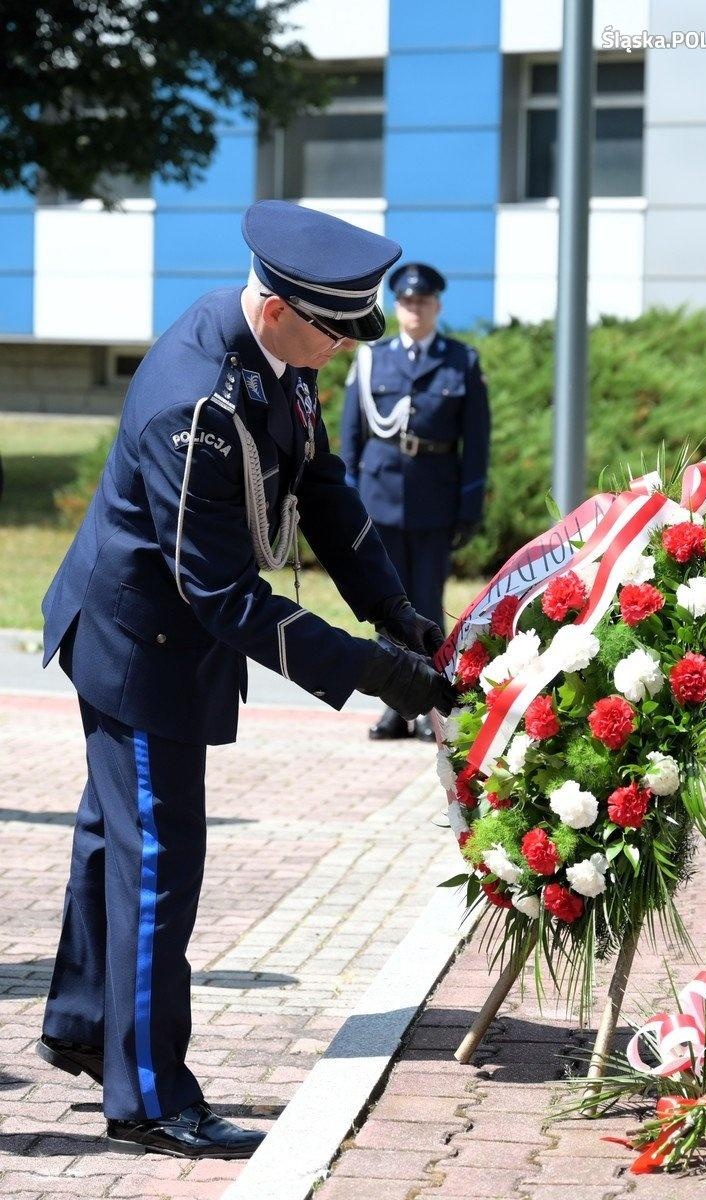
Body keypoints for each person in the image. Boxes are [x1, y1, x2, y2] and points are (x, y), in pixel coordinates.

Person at [36, 201, 455, 1160]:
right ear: (275, 310)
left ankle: (88, 1023)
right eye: (332, 334)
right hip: (141, 648)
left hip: (160, 630)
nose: (341, 353)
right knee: (158, 864)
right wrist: (379, 674)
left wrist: (394, 610)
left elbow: (321, 483)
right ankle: (148, 1099)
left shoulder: (275, 355)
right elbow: (222, 593)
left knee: (113, 842)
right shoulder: (199, 403)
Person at [341, 263, 490, 742]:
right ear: (396, 306)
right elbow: (351, 437)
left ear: (437, 307)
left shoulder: (461, 361)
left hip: (434, 500)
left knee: (425, 603)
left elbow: (476, 443)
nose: (415, 309)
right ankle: (393, 708)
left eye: (423, 302)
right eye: (407, 302)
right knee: (387, 605)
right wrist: (346, 500)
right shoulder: (371, 360)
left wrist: (469, 506)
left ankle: (429, 708)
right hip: (379, 496)